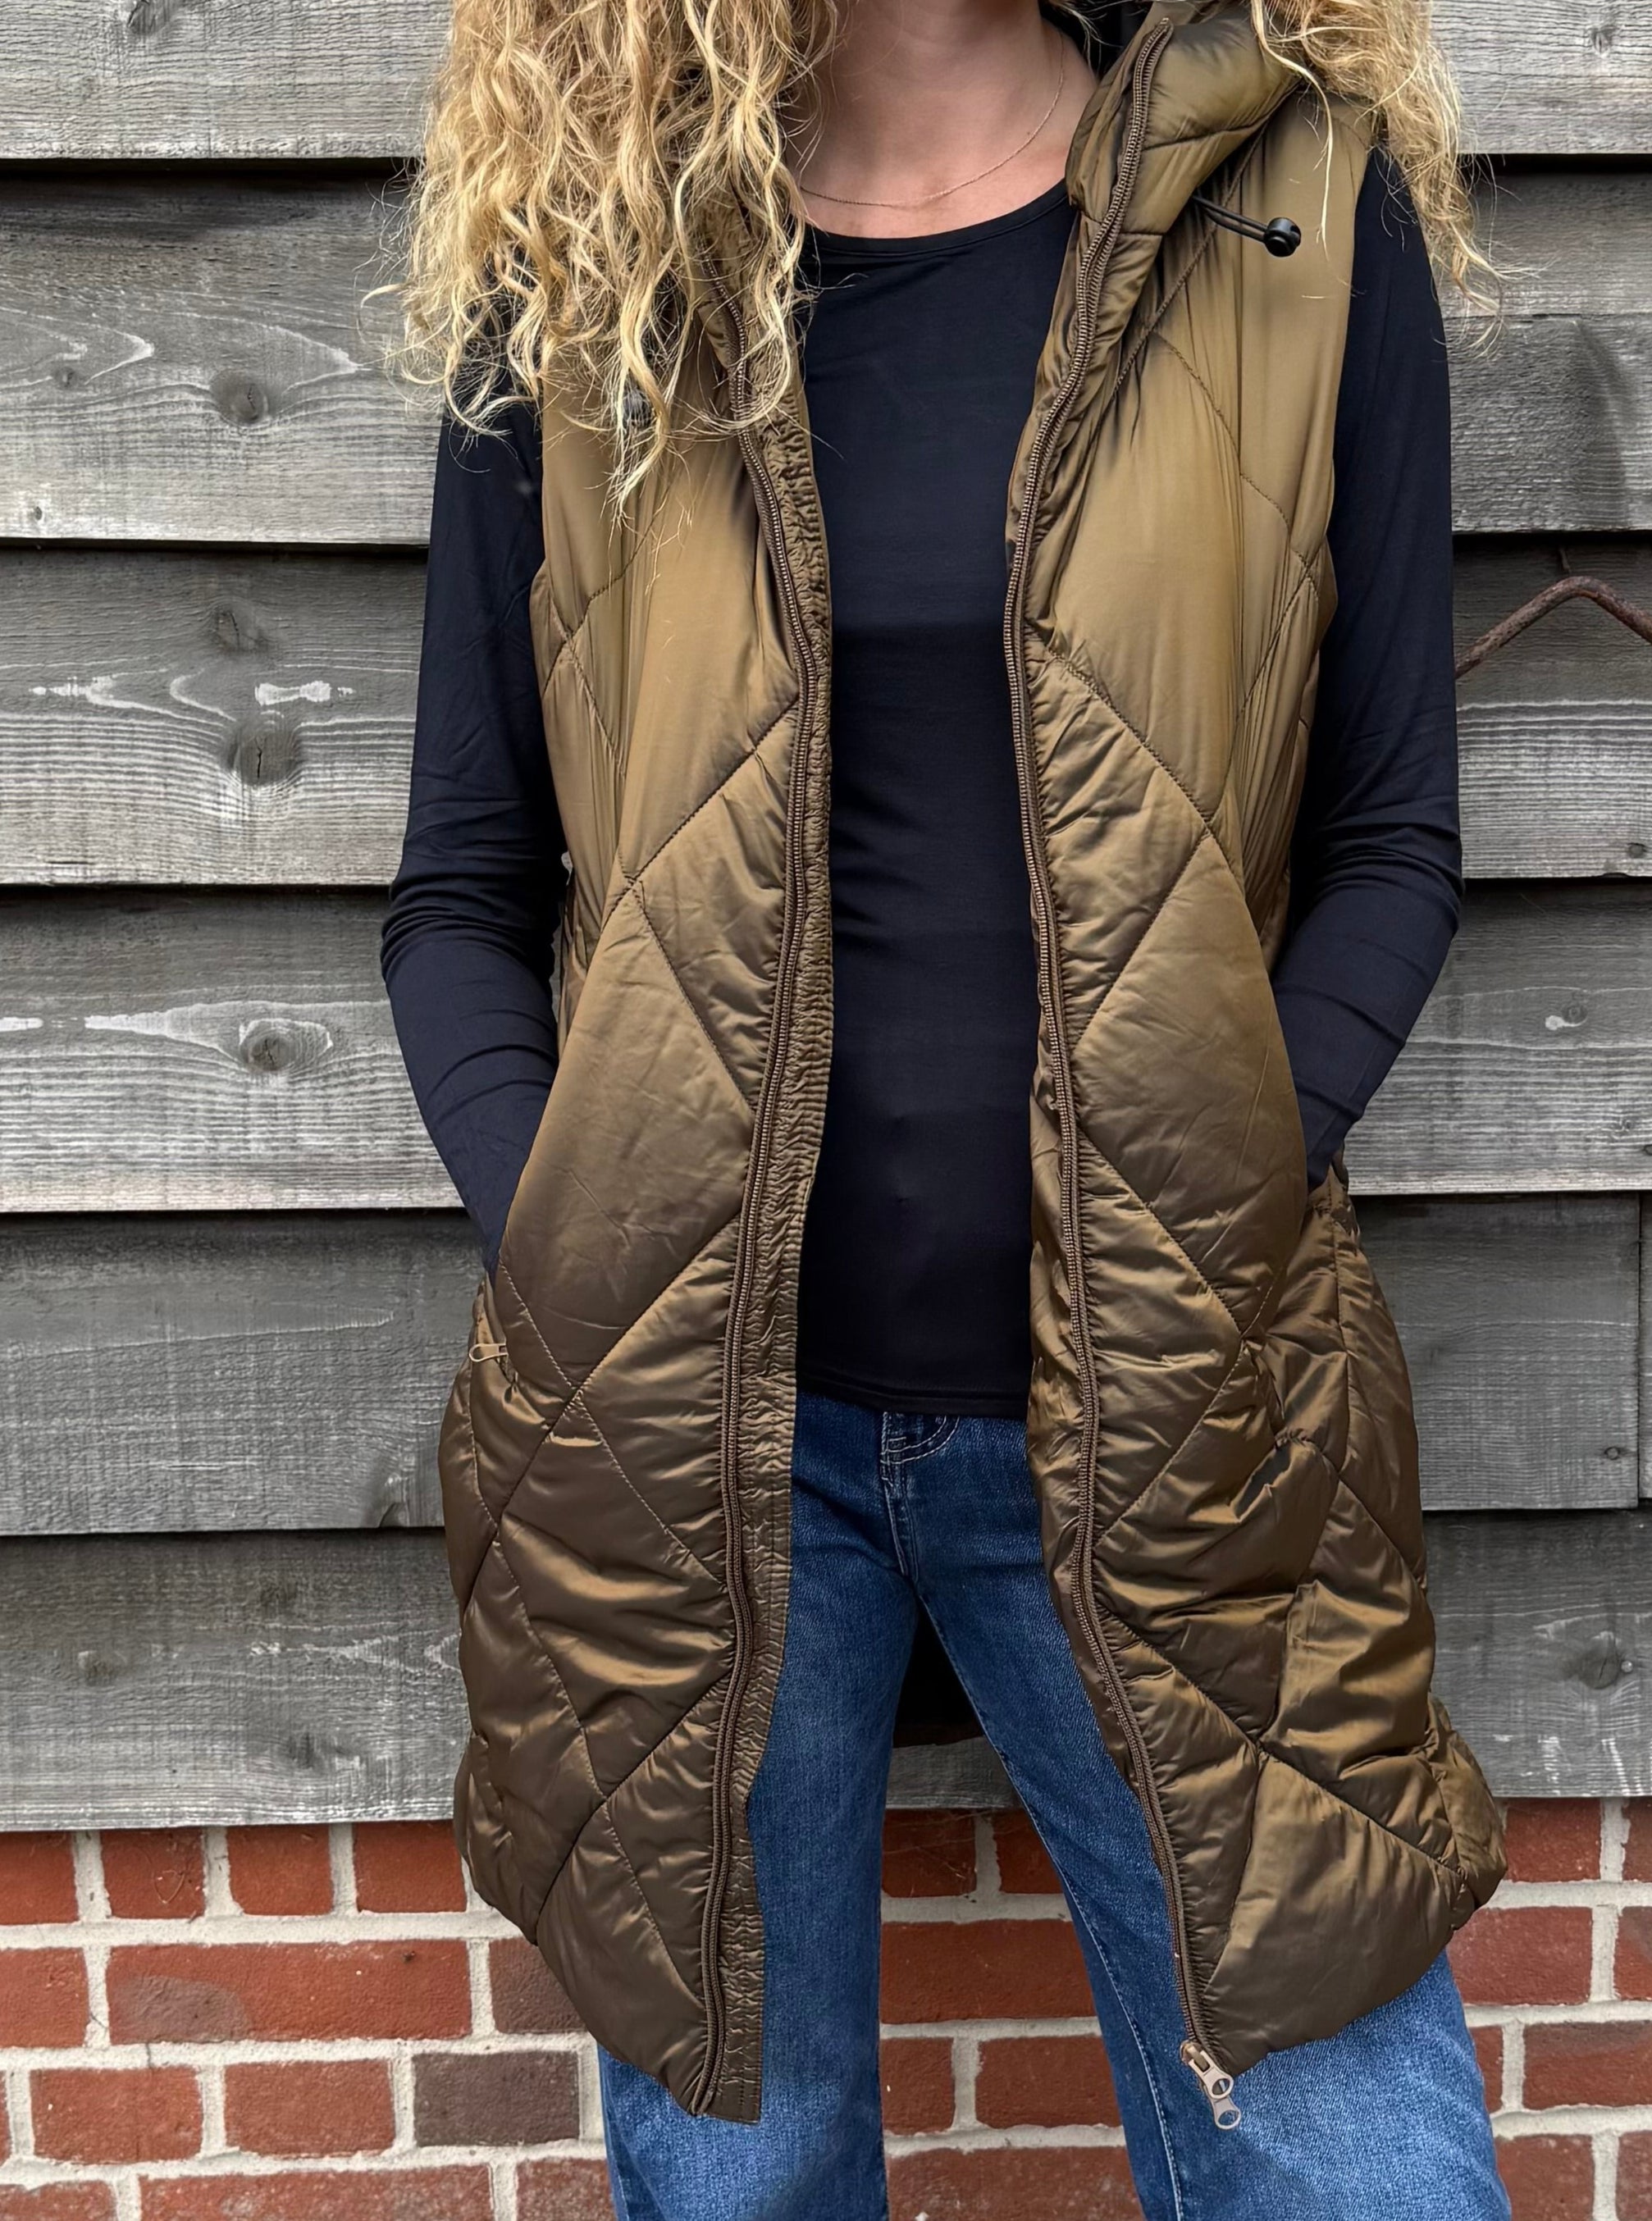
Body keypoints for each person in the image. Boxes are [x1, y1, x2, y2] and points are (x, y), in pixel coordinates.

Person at [382, 0, 1511, 2213]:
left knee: (1356, 2173)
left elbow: (1391, 843)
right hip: (696, 1457)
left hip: (1178, 1413)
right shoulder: (594, 254)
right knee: (748, 2172)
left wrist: (1215, 1212)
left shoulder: (1291, 213)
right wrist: (585, 1258)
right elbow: (460, 897)